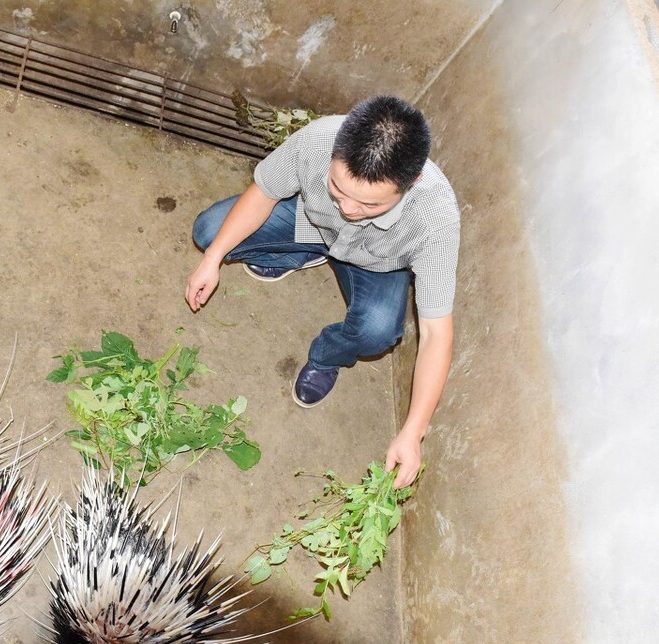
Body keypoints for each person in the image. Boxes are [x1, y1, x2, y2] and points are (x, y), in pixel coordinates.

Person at [184, 95, 459, 488]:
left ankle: (328, 356)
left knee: (378, 331)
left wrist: (413, 431)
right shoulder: (317, 139)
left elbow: (436, 334)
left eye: (369, 204)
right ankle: (303, 254)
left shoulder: (436, 219)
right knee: (210, 232)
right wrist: (211, 259)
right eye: (337, 188)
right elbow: (264, 192)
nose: (348, 208)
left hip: (377, 263)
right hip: (313, 225)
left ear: (410, 183)